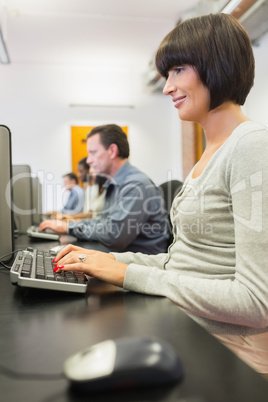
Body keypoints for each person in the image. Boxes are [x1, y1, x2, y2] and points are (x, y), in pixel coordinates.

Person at [51, 14, 268, 376]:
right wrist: (108, 262)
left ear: (218, 66)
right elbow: (179, 265)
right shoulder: (212, 152)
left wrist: (128, 274)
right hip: (189, 324)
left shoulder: (251, 146)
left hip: (230, 351)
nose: (167, 87)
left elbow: (255, 301)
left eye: (178, 70)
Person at [40, 124, 169, 254]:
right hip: (122, 254)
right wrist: (69, 226)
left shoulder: (135, 185)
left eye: (93, 152)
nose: (89, 160)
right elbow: (102, 222)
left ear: (112, 151)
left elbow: (114, 236)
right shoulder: (114, 183)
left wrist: (69, 228)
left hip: (139, 263)